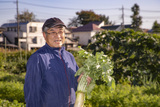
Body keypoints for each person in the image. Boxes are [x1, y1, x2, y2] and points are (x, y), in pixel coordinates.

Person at [24, 17, 91, 107]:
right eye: (53, 32)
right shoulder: (37, 58)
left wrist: (80, 80)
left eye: (60, 31)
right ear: (44, 35)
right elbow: (32, 94)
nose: (58, 36)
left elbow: (74, 85)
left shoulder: (69, 57)